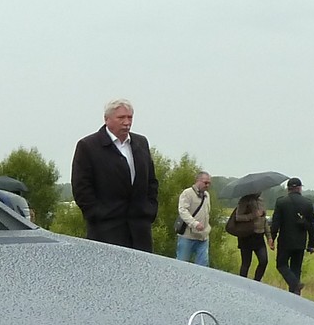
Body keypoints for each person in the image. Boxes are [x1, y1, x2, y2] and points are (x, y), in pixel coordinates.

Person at [70, 100, 158, 250]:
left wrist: (149, 210)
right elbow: (81, 187)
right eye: (121, 118)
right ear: (107, 119)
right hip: (106, 231)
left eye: (130, 117)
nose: (126, 122)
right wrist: (97, 214)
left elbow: (151, 181)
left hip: (139, 231)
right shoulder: (89, 146)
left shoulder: (140, 143)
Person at [266, 178, 314, 295]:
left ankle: (295, 284)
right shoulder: (308, 203)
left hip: (285, 241)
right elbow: (312, 226)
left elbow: (276, 222)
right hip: (300, 242)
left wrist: (271, 238)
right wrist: (311, 244)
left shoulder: (281, 202)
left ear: (288, 189)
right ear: (299, 188)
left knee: (281, 265)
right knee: (296, 269)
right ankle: (295, 295)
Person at [226, 191, 267, 280]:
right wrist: (254, 215)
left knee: (264, 261)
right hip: (246, 235)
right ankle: (242, 284)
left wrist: (269, 237)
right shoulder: (244, 200)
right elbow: (238, 217)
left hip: (259, 235)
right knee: (246, 263)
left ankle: (256, 282)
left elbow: (264, 220)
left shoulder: (261, 201)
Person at [174, 170, 212, 265]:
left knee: (203, 263)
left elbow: (207, 213)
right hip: (187, 236)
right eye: (205, 182)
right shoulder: (187, 193)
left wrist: (207, 228)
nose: (207, 185)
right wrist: (194, 223)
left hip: (203, 237)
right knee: (182, 263)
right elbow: (182, 210)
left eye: (209, 183)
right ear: (198, 181)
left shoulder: (207, 195)